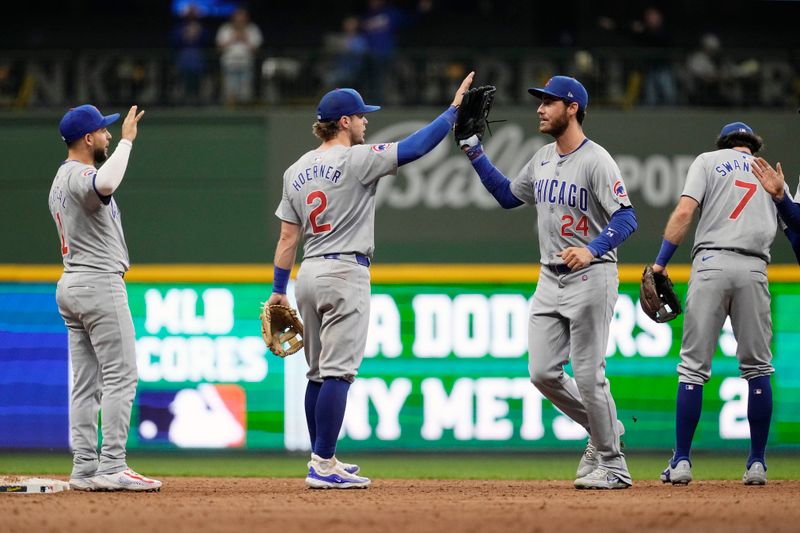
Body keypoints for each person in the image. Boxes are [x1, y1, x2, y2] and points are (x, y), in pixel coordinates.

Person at [266, 72, 475, 489]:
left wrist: (276, 290)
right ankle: (322, 465)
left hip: (308, 273)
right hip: (345, 272)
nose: (366, 123)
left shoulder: (296, 170)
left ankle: (322, 457)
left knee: (317, 375)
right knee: (339, 373)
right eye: (361, 117)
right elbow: (415, 147)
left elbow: (288, 237)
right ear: (344, 121)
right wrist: (452, 112)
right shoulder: (356, 159)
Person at [456, 76, 637, 490]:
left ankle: (613, 463)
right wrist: (473, 149)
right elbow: (507, 195)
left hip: (592, 274)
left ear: (572, 109)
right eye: (540, 101)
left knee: (589, 375)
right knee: (542, 373)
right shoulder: (541, 158)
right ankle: (606, 429)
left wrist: (592, 248)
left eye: (549, 102)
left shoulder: (597, 160)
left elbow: (627, 217)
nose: (540, 108)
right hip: (548, 277)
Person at [653, 122, 777, 486]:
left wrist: (661, 262)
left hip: (712, 263)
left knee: (692, 369)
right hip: (755, 267)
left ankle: (682, 462)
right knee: (758, 369)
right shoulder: (768, 172)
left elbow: (684, 212)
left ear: (724, 143)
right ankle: (756, 463)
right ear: (751, 146)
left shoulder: (708, 160)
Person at [49, 104, 160, 492]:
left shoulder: (60, 179)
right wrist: (128, 142)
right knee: (121, 375)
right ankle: (112, 463)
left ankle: (84, 468)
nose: (109, 135)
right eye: (104, 131)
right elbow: (106, 185)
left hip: (72, 284)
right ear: (87, 139)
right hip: (98, 283)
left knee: (85, 383)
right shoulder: (81, 174)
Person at [215, 6, 263, 105]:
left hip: (246, 64)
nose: (240, 20)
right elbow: (219, 48)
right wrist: (233, 38)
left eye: (243, 17)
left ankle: (245, 114)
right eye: (238, 17)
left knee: (246, 93)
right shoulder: (225, 29)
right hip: (229, 64)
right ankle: (230, 115)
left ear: (246, 18)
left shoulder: (253, 29)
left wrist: (245, 39)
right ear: (233, 18)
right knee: (230, 91)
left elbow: (257, 50)